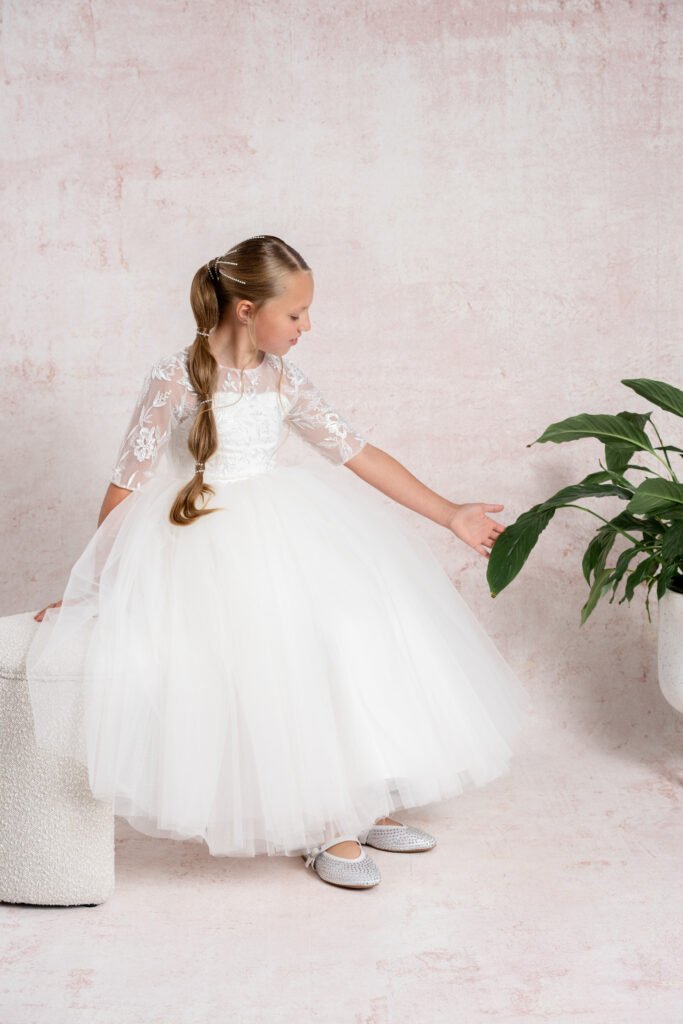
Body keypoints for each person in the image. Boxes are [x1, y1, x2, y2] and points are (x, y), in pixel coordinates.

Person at [26, 234, 529, 891]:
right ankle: (319, 825)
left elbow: (357, 451)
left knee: (353, 633)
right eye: (294, 315)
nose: (306, 326)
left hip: (289, 531)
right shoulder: (174, 375)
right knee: (277, 660)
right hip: (202, 544)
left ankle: (353, 799)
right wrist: (98, 583)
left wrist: (449, 512)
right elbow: (127, 483)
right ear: (243, 308)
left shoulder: (282, 378)